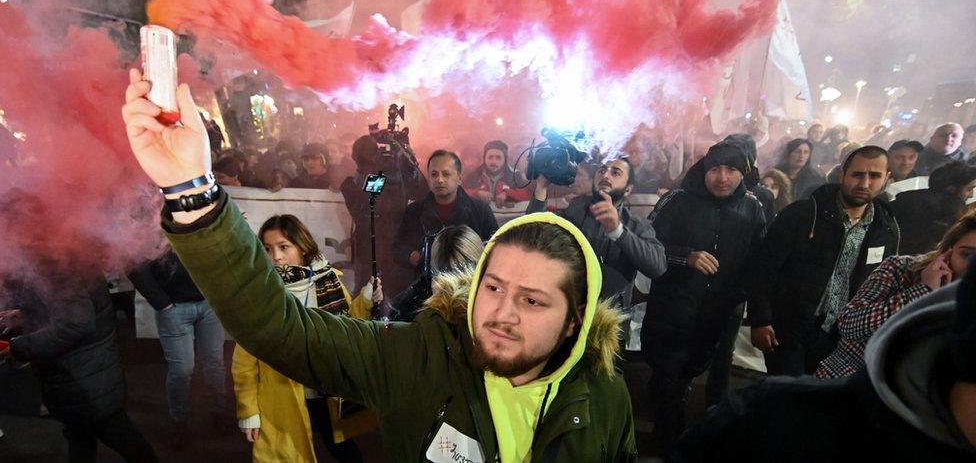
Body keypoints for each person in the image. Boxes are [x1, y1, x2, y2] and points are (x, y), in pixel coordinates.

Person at [121, 69, 638, 460]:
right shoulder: (420, 360)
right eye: (493, 287)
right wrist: (192, 192)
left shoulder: (604, 397)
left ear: (575, 319)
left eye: (532, 300)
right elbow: (280, 329)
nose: (502, 312)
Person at [678, 257, 976, 462]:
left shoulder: (884, 224)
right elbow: (852, 322)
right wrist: (762, 318)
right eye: (965, 253)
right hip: (805, 341)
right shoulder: (780, 417)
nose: (865, 183)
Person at [640, 142, 766, 449]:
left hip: (716, 311)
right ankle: (667, 439)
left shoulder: (752, 207)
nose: (722, 177)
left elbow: (760, 260)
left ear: (742, 173)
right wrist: (686, 256)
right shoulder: (677, 200)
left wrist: (751, 304)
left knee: (687, 373)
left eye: (731, 169)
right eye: (714, 169)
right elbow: (646, 247)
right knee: (667, 374)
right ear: (704, 170)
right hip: (672, 307)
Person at [234, 214, 382, 462]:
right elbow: (244, 362)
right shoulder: (259, 295)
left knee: (343, 448)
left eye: (284, 247)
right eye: (268, 249)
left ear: (302, 247)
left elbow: (346, 327)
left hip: (326, 389)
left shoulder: (328, 280)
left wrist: (365, 300)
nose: (276, 257)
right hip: (283, 396)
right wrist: (248, 410)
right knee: (287, 454)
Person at [748, 146, 899, 376]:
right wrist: (760, 320)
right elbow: (764, 268)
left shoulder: (886, 229)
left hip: (844, 336)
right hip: (790, 329)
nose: (865, 183)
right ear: (843, 175)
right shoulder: (804, 215)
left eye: (875, 176)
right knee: (785, 397)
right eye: (857, 174)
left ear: (887, 178)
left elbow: (883, 285)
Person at [0, 274, 158, 463]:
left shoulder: (60, 267)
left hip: (83, 379)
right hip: (86, 374)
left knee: (118, 436)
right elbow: (67, 309)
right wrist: (28, 315)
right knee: (82, 438)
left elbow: (75, 325)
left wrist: (19, 347)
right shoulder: (70, 257)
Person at [816, 212, 976, 378]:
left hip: (908, 397)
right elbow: (848, 325)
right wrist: (923, 291)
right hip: (847, 380)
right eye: (968, 255)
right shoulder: (901, 268)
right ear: (947, 251)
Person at [527, 156, 667, 300]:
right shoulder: (575, 212)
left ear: (627, 190)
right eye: (601, 170)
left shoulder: (636, 225)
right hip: (573, 308)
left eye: (615, 173)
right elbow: (534, 234)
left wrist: (618, 231)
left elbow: (657, 267)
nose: (605, 175)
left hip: (611, 316)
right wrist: (541, 188)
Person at [129, 248, 229, 448]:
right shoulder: (145, 217)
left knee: (215, 364)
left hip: (209, 303)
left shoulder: (203, 215)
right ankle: (179, 422)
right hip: (174, 307)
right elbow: (132, 263)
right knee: (182, 370)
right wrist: (162, 303)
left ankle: (219, 413)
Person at [340, 135, 427, 297]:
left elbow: (422, 191)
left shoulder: (396, 175)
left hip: (397, 247)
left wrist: (405, 158)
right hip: (369, 250)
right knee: (366, 298)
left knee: (399, 297)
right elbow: (368, 206)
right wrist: (380, 172)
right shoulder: (350, 184)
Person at [393, 149, 498, 278]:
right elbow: (398, 247)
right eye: (434, 174)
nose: (440, 180)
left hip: (468, 285)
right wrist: (411, 255)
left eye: (446, 174)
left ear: (459, 178)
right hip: (426, 285)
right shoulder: (414, 211)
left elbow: (495, 248)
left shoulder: (480, 210)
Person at [390, 224, 485, 321]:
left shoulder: (489, 303)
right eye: (444, 277)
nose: (454, 294)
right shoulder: (408, 309)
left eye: (462, 282)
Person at [892, 161, 976, 255]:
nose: (971, 195)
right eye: (969, 189)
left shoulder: (902, 201)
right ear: (951, 189)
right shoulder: (955, 212)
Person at [462, 140, 531, 205]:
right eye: (490, 157)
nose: (494, 162)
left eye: (498, 157)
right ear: (484, 158)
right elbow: (460, 193)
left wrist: (508, 194)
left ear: (505, 159)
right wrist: (477, 193)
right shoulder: (474, 175)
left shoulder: (514, 175)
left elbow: (526, 195)